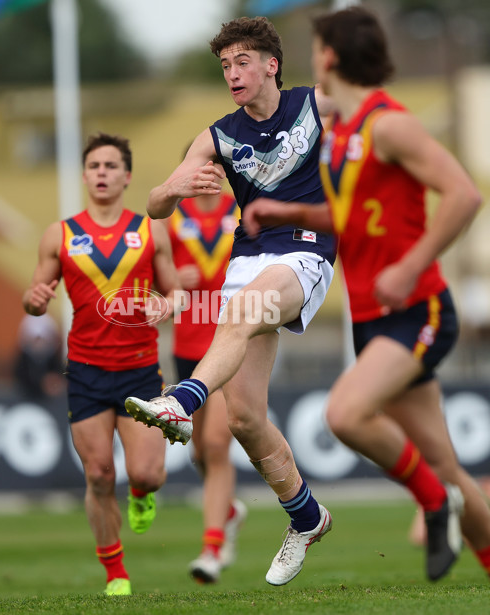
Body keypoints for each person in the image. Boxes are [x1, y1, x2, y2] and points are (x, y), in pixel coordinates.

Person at [242, 6, 490, 581]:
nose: (312, 58)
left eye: (316, 47)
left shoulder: (389, 123)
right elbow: (351, 215)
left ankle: (432, 503)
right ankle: (459, 517)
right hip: (374, 316)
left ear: (332, 55)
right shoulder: (347, 132)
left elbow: (463, 196)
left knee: (346, 414)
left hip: (416, 310)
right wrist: (290, 210)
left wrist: (412, 266)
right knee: (447, 466)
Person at [125, 16, 337, 587]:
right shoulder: (218, 135)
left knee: (240, 317)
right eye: (225, 66)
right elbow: (153, 204)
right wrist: (174, 189)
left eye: (243, 62)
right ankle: (307, 516)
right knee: (244, 417)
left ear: (271, 64)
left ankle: (181, 401)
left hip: (305, 252)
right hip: (248, 259)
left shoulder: (317, 104)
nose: (233, 74)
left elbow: (376, 130)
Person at [23, 132, 180, 596]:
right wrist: (33, 301)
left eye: (111, 166)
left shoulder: (152, 231)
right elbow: (35, 299)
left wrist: (168, 306)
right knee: (98, 474)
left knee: (147, 474)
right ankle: (116, 573)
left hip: (141, 369)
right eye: (94, 166)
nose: (103, 173)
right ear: (85, 174)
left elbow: (177, 293)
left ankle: (142, 495)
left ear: (127, 176)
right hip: (87, 371)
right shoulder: (61, 234)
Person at [167, 168, 246, 583]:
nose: (209, 175)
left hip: (228, 346)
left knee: (216, 444)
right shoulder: (171, 220)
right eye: (201, 168)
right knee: (200, 453)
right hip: (186, 350)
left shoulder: (243, 212)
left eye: (217, 167)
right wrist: (172, 283)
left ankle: (212, 548)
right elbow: (147, 279)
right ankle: (229, 511)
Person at [13, 313, 66, 399]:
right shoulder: (23, 363)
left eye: (42, 340)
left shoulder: (55, 360)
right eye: (36, 340)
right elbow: (21, 380)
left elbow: (61, 377)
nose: (39, 345)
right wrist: (41, 384)